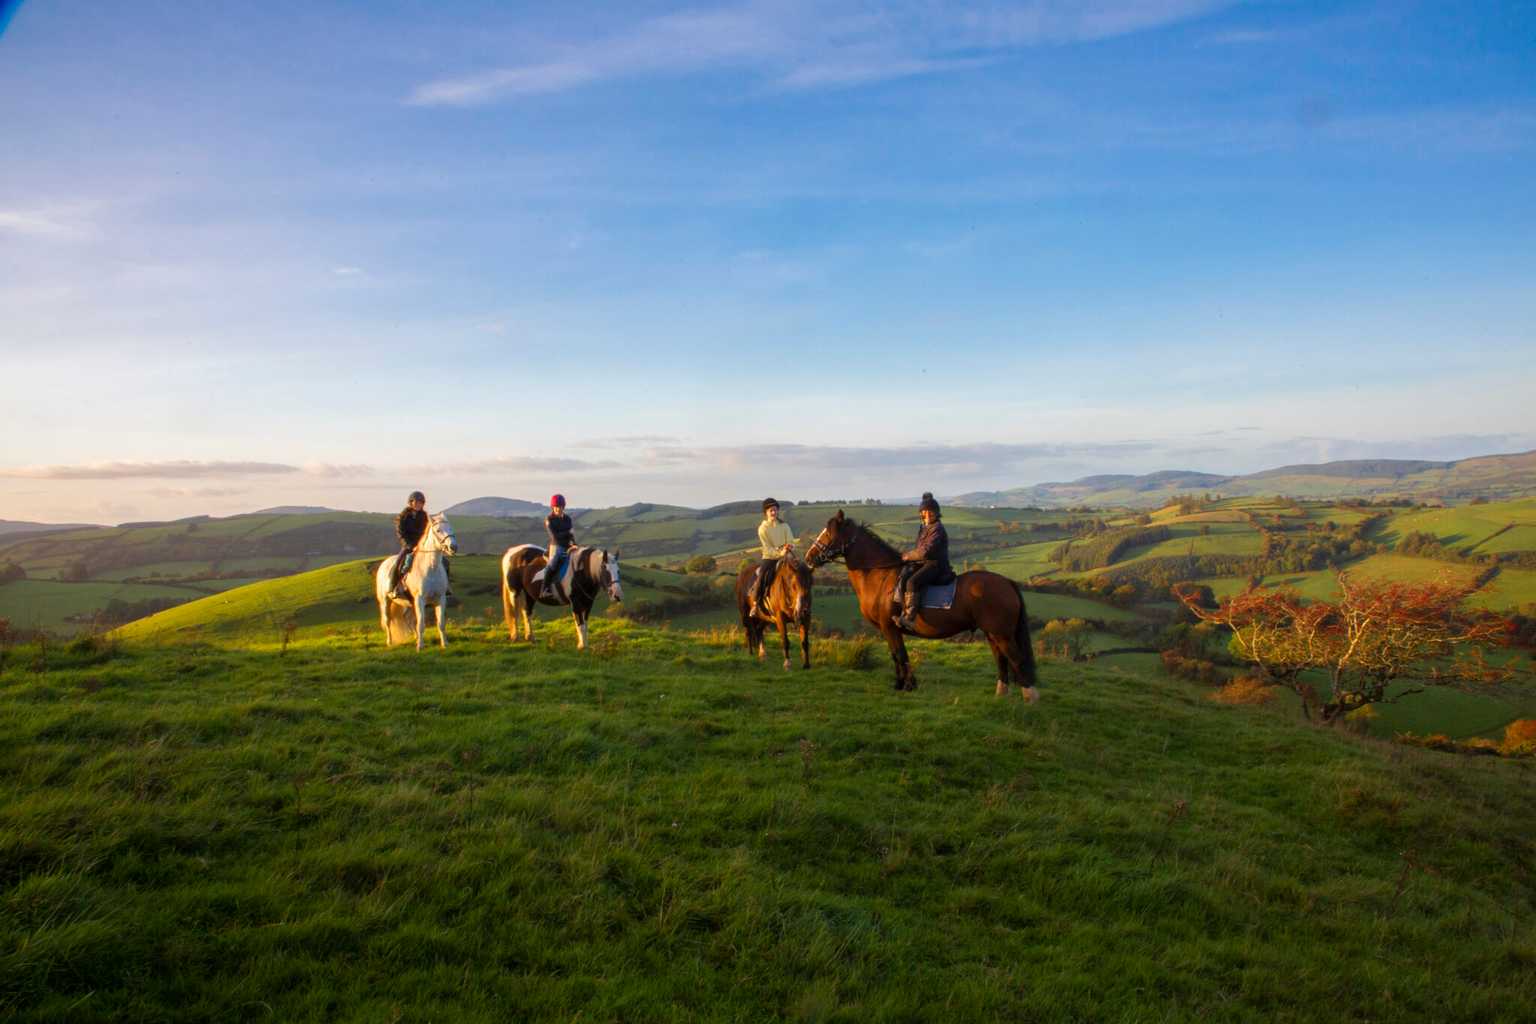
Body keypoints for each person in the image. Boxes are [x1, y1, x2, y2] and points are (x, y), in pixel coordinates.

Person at [894, 492, 950, 631]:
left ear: (937, 514)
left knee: (912, 582)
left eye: (930, 512)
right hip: (925, 563)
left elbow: (925, 551)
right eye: (924, 512)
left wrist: (907, 557)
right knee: (904, 576)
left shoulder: (937, 529)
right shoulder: (924, 528)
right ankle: (903, 610)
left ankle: (910, 618)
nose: (927, 515)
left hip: (936, 565)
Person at [750, 497, 795, 616]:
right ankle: (755, 604)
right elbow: (767, 548)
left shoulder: (785, 526)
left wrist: (789, 547)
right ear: (766, 513)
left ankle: (802, 601)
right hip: (769, 558)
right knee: (761, 576)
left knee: (800, 571)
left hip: (786, 555)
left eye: (775, 510)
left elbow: (791, 540)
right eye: (771, 510)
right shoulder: (762, 529)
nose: (774, 512)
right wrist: (780, 553)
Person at [390, 491, 428, 598]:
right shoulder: (403, 516)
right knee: (398, 563)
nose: (418, 504)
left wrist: (424, 544)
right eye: (416, 502)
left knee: (443, 562)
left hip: (423, 546)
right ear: (410, 503)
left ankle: (446, 588)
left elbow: (427, 532)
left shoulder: (425, 516)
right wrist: (409, 545)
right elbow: (401, 533)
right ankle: (393, 587)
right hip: (408, 545)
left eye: (420, 503)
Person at [543, 494, 575, 598]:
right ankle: (545, 589)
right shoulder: (549, 520)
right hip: (556, 545)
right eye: (556, 507)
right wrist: (568, 533)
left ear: (563, 507)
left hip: (567, 545)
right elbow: (555, 537)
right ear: (553, 507)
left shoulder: (568, 519)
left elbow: (572, 535)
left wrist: (574, 544)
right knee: (554, 563)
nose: (558, 509)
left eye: (560, 506)